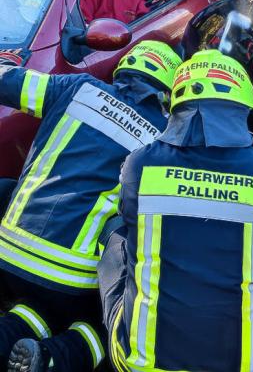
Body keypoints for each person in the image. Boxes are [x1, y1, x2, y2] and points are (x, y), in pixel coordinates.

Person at [98, 49, 253, 372]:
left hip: (143, 364)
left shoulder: (140, 166)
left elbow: (130, 224)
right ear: (242, 110)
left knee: (115, 232)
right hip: (250, 365)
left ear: (176, 110)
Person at [0, 41, 182, 372]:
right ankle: (55, 358)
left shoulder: (75, 87)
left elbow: (7, 82)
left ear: (123, 68)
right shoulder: (163, 142)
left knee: (37, 306)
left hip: (9, 254)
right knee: (110, 318)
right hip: (71, 280)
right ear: (168, 94)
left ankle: (10, 333)